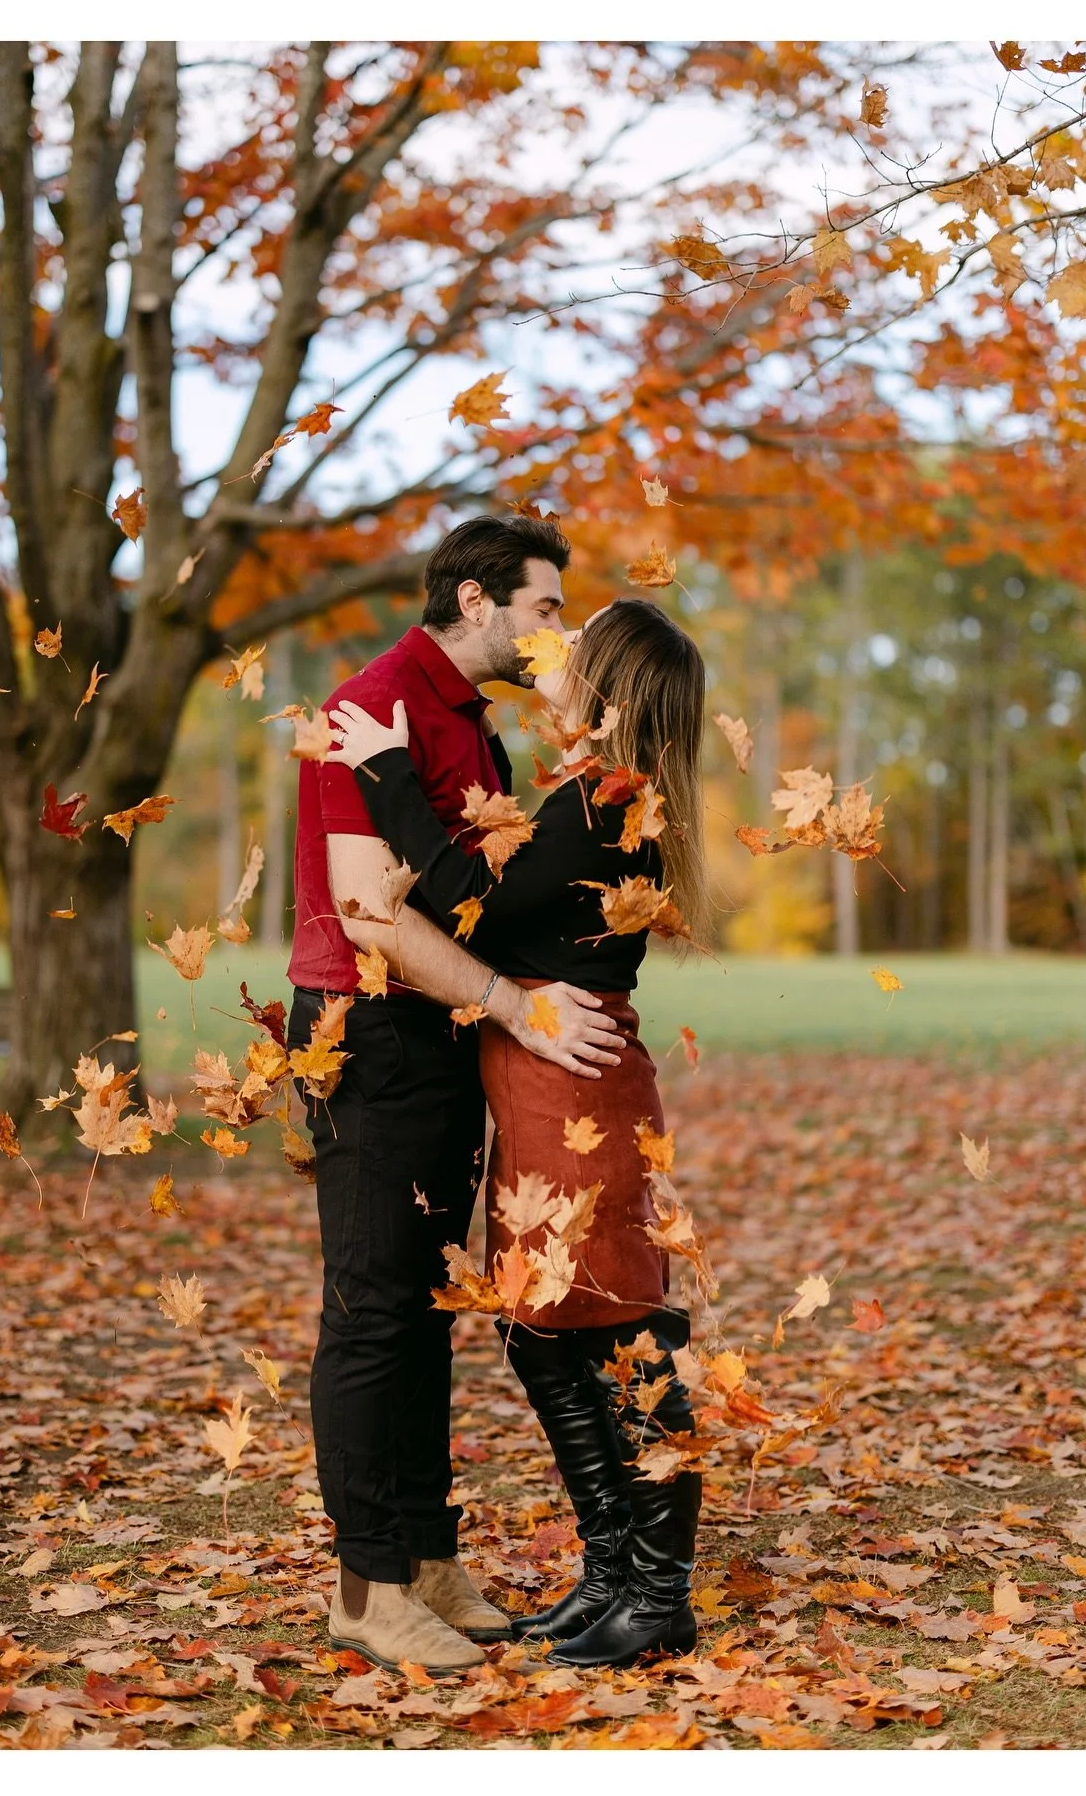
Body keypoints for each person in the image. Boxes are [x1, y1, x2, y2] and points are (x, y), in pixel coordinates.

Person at [325, 595, 710, 1668]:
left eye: (571, 644)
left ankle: (657, 1593)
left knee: (619, 1331)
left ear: (609, 688)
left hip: (576, 1094)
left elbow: (460, 899)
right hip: (548, 1086)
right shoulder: (593, 797)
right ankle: (616, 1568)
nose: (553, 652)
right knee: (542, 1326)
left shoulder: (602, 801)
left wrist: (390, 771)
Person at [285, 514, 625, 1677]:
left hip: (443, 1035)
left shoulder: (473, 729)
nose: (556, 630)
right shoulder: (366, 703)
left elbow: (471, 888)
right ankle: (366, 1589)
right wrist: (513, 1003)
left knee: (430, 1302)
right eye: (543, 607)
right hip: (367, 1029)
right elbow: (375, 909)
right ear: (475, 601)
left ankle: (426, 1561)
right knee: (375, 1308)